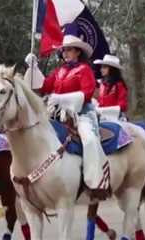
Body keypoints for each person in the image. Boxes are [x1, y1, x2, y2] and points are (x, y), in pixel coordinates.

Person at [26, 31, 110, 199]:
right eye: (64, 50)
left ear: (78, 52)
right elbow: (43, 87)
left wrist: (60, 98)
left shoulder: (85, 69)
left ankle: (96, 183)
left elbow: (86, 94)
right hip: (57, 114)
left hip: (82, 114)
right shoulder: (59, 71)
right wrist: (33, 67)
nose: (65, 53)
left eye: (69, 50)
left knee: (90, 140)